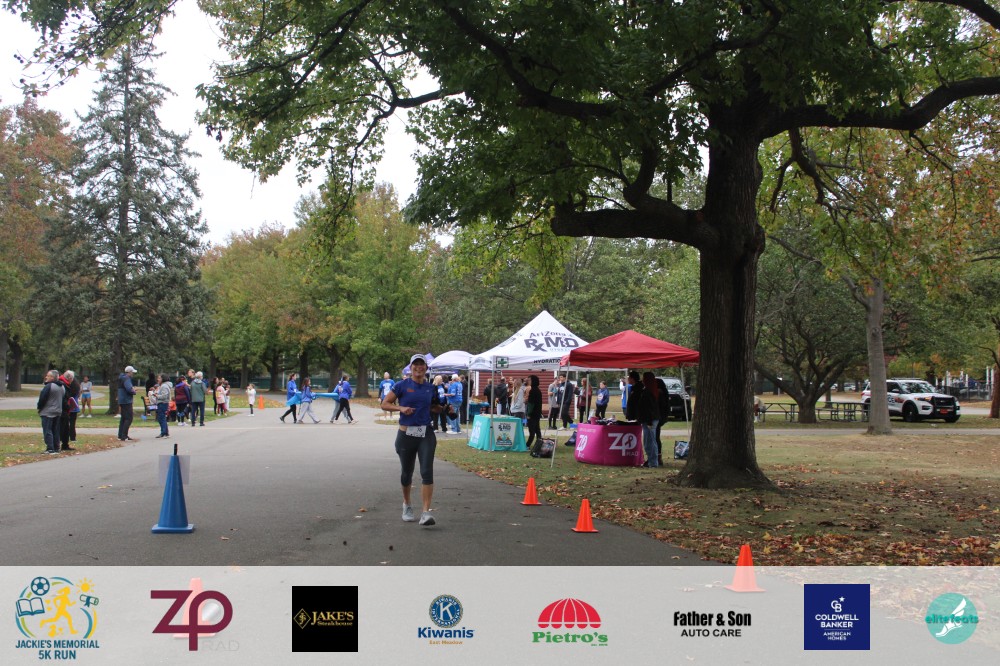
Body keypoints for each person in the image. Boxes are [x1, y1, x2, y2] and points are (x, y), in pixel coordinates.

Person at [380, 354, 450, 527]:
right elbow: (384, 403)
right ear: (411, 368)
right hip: (406, 435)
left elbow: (433, 406)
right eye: (415, 365)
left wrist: (444, 409)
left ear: (426, 368)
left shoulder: (431, 388)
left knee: (427, 471)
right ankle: (407, 504)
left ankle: (425, 512)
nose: (419, 367)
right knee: (407, 473)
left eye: (421, 365)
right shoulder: (401, 385)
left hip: (426, 434)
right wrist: (400, 408)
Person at [37, 370, 64, 455]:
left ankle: (50, 448)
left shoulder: (49, 386)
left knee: (47, 430)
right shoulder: (62, 387)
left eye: (48, 376)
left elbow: (43, 398)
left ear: (52, 377)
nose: (46, 377)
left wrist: (39, 407)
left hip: (48, 411)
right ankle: (56, 447)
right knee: (55, 430)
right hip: (58, 411)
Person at [639, 372, 661, 468]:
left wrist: (649, 421)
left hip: (650, 419)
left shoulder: (648, 392)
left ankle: (653, 462)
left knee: (650, 441)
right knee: (649, 441)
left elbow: (649, 408)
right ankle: (651, 461)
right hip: (649, 419)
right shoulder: (652, 391)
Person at [58, 370, 80, 451]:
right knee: (63, 427)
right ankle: (61, 443)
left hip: (67, 408)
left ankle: (65, 443)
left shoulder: (64, 383)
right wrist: (68, 406)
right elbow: (64, 398)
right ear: (70, 378)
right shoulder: (63, 385)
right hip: (65, 408)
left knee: (66, 427)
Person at [117, 365, 138, 441]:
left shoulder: (121, 378)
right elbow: (129, 389)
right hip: (126, 400)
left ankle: (120, 435)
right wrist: (134, 391)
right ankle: (124, 435)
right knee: (129, 418)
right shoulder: (127, 379)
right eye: (132, 372)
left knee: (123, 418)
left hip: (122, 400)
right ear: (129, 372)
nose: (133, 374)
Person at [524, 375, 543, 451]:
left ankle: (527, 445)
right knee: (537, 430)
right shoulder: (538, 390)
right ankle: (539, 444)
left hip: (533, 414)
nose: (528, 381)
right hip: (537, 413)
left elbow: (531, 404)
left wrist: (529, 414)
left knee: (532, 431)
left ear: (533, 381)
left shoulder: (533, 391)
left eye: (529, 380)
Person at [654, 377, 670, 465]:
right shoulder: (665, 393)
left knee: (655, 438)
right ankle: (658, 456)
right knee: (656, 437)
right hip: (660, 417)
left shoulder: (659, 394)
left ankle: (657, 457)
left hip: (657, 417)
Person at [155, 373, 173, 439]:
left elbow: (164, 396)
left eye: (159, 378)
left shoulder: (164, 386)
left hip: (162, 403)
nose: (158, 379)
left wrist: (157, 396)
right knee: (162, 418)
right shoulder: (164, 385)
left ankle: (164, 432)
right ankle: (165, 432)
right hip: (163, 403)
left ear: (163, 379)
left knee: (161, 418)